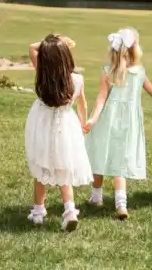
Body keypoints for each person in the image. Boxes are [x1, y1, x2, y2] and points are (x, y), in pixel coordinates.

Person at [83, 28, 152, 219]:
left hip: (107, 120)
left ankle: (96, 197)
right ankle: (121, 205)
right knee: (119, 162)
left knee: (100, 156)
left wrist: (92, 119)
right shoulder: (139, 72)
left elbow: (100, 99)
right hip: (129, 123)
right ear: (135, 49)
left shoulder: (107, 71)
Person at [25, 34, 93, 230]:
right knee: (63, 169)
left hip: (42, 124)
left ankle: (38, 211)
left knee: (41, 166)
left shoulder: (42, 73)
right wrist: (83, 124)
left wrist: (52, 42)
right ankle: (70, 210)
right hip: (66, 127)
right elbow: (82, 104)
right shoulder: (77, 80)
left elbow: (32, 47)